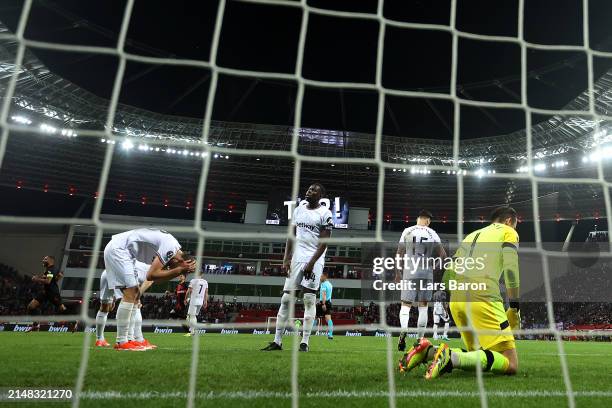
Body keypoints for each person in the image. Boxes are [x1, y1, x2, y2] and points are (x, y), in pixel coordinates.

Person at [399, 206, 521, 379]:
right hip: (484, 296)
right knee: (511, 363)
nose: (515, 229)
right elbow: (511, 267)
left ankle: (427, 351)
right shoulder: (508, 231)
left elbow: (450, 270)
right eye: (515, 225)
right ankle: (450, 358)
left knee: (477, 354)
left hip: (458, 297)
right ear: (509, 221)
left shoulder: (471, 236)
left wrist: (447, 297)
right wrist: (515, 305)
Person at [261, 183, 333, 352]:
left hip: (314, 260)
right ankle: (277, 341)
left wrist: (311, 263)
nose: (309, 191)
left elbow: (324, 242)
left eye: (314, 190)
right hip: (296, 259)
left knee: (309, 299)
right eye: (308, 189)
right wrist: (286, 258)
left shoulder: (325, 213)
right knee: (286, 300)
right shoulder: (299, 209)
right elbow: (291, 235)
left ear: (320, 195)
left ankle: (304, 342)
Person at [103, 228, 195, 351]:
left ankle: (134, 339)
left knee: (135, 296)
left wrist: (177, 271)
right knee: (131, 293)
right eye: (184, 270)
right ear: (181, 261)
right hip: (119, 249)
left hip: (126, 252)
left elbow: (154, 279)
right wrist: (178, 270)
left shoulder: (173, 247)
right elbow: (152, 275)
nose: (182, 274)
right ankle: (121, 341)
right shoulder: (171, 248)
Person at [396, 210, 446, 351]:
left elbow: (399, 253)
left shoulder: (407, 231)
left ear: (417, 218)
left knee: (405, 305)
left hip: (409, 271)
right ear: (427, 220)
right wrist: (434, 268)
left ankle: (404, 329)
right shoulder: (432, 233)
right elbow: (443, 254)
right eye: (429, 220)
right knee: (423, 306)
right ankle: (419, 340)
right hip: (426, 272)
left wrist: (398, 273)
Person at [27, 256, 66, 330]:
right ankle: (35, 325)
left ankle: (75, 321)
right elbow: (58, 277)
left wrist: (36, 279)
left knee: (62, 308)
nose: (43, 260)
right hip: (45, 292)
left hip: (52, 293)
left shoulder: (50, 269)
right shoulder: (50, 269)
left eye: (45, 259)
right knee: (31, 307)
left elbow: (48, 281)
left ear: (51, 261)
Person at [317, 271, 334, 340]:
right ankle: (330, 334)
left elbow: (324, 294)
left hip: (324, 303)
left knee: (314, 317)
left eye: (321, 276)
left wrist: (323, 304)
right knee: (328, 318)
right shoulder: (330, 284)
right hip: (329, 302)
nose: (320, 278)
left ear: (325, 276)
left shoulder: (323, 284)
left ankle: (307, 333)